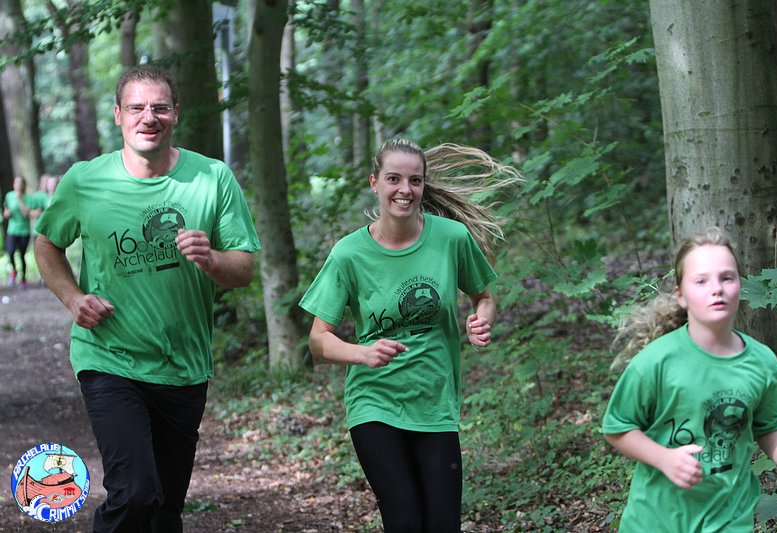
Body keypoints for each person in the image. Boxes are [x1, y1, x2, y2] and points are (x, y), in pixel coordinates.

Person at [34, 64, 261, 532]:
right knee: (135, 492)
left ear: (176, 112)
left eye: (159, 107)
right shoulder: (84, 180)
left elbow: (244, 268)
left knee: (165, 509)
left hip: (184, 364)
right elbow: (47, 243)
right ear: (118, 115)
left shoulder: (212, 177)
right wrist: (73, 299)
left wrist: (212, 259)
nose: (148, 117)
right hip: (109, 357)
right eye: (136, 107)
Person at [299, 138, 520, 532]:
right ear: (374, 183)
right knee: (403, 520)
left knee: (442, 524)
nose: (405, 189)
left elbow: (483, 297)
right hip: (374, 402)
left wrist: (481, 321)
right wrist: (362, 353)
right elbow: (318, 340)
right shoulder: (348, 254)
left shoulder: (451, 238)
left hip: (435, 401)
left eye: (414, 180)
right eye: (393, 179)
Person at [602, 227, 777, 532]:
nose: (716, 288)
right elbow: (617, 427)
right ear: (681, 295)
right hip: (656, 520)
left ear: (740, 286)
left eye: (727, 277)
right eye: (701, 281)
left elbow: (769, 426)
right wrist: (664, 458)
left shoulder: (762, 363)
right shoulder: (656, 362)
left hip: (729, 518)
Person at [3, 176, 34, 289]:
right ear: (14, 184)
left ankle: (23, 279)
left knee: (22, 254)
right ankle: (14, 271)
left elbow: (26, 213)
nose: (18, 185)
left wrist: (20, 200)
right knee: (10, 252)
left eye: (21, 183)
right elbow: (5, 213)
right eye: (16, 182)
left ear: (23, 185)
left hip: (24, 230)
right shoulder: (9, 196)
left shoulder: (28, 198)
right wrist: (7, 213)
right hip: (12, 229)